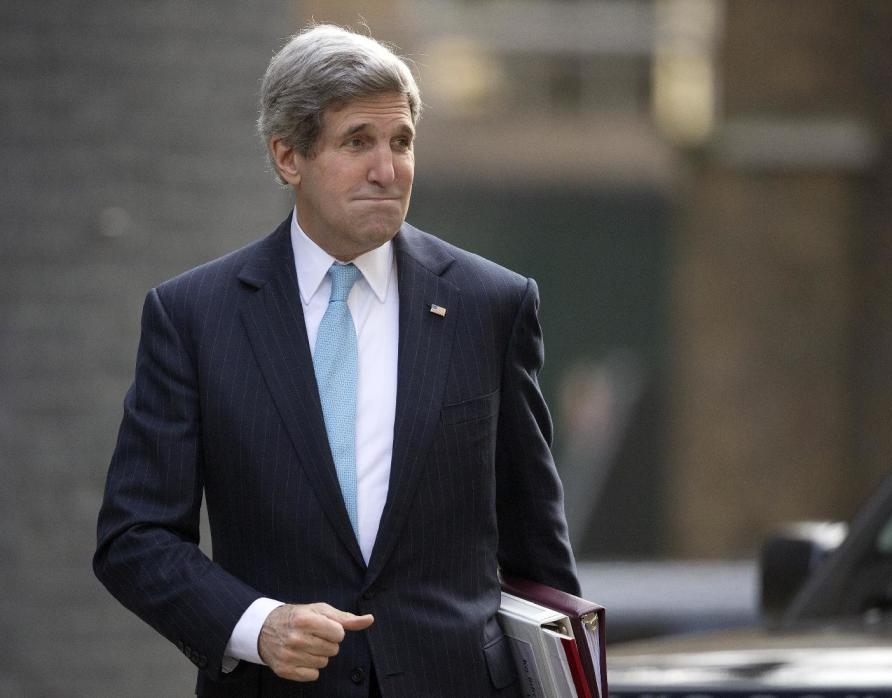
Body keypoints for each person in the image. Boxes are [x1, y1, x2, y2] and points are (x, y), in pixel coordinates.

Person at [93, 23, 579, 698]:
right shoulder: (193, 317)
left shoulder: (490, 304)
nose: (389, 168)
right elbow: (135, 536)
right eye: (358, 142)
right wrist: (255, 624)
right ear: (289, 156)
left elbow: (539, 557)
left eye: (401, 141)